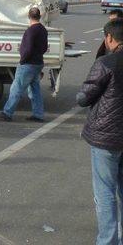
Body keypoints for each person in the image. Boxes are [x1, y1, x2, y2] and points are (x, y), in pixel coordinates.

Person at [76, 19, 123, 245]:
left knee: (104, 193)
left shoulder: (106, 63)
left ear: (110, 38)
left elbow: (83, 97)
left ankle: (107, 241)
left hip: (106, 138)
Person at [0, 7, 48, 122]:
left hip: (28, 64)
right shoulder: (43, 30)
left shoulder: (30, 30)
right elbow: (44, 48)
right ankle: (38, 114)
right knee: (35, 90)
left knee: (17, 88)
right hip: (38, 63)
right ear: (39, 16)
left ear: (29, 17)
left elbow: (27, 48)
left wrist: (23, 60)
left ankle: (7, 112)